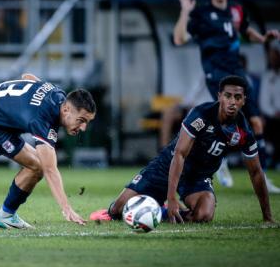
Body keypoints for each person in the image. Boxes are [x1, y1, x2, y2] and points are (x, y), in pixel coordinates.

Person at [90, 76, 274, 224]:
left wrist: (267, 216)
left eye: (237, 97)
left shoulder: (243, 131)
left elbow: (256, 173)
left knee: (204, 215)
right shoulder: (200, 116)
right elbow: (179, 154)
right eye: (227, 96)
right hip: (167, 166)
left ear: (244, 101)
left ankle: (160, 213)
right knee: (118, 210)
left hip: (198, 177)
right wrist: (171, 198)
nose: (232, 101)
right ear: (219, 96)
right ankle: (132, 208)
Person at [172, 0, 280, 193]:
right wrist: (185, 11)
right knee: (224, 118)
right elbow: (179, 38)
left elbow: (246, 31)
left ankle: (263, 177)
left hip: (237, 73)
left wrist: (263, 38)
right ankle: (219, 161)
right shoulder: (202, 15)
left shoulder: (236, 10)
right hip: (216, 74)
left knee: (256, 123)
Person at [0, 76, 96, 229]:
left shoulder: (57, 93)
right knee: (37, 166)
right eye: (81, 120)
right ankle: (6, 216)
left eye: (87, 122)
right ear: (66, 110)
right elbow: (50, 170)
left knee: (37, 165)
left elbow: (28, 77)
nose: (84, 128)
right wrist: (67, 208)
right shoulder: (43, 119)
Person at [260, 40, 280, 170]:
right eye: (270, 56)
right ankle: (271, 160)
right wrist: (275, 112)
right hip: (272, 118)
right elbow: (263, 101)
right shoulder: (267, 76)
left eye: (275, 55)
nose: (272, 59)